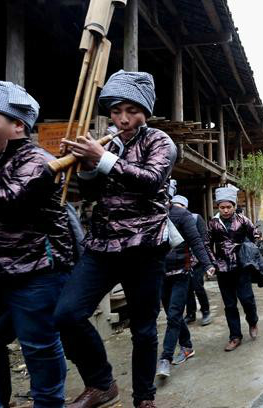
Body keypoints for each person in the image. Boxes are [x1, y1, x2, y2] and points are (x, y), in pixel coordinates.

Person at [54, 70, 177, 408]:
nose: (123, 119)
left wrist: (103, 158)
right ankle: (101, 383)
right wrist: (81, 164)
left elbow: (151, 180)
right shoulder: (105, 140)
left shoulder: (160, 142)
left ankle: (144, 397)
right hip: (102, 246)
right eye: (116, 111)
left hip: (146, 246)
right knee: (66, 314)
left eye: (132, 110)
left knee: (144, 329)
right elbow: (87, 193)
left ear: (146, 111)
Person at [0, 81, 72, 408]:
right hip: (0, 271)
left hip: (36, 272)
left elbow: (8, 202)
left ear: (17, 125)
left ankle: (49, 403)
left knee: (39, 347)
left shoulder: (38, 160)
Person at [156, 195, 215, 379]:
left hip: (182, 272)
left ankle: (165, 358)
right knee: (172, 314)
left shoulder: (182, 215)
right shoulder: (151, 214)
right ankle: (187, 346)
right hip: (161, 274)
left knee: (174, 314)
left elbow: (196, 241)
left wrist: (207, 264)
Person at [208, 186, 259, 352]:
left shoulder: (243, 220)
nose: (225, 210)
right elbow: (206, 244)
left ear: (234, 206)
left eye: (228, 207)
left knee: (247, 299)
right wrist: (213, 262)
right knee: (229, 304)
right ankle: (235, 336)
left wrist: (249, 249)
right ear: (218, 207)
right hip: (223, 269)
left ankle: (252, 321)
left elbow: (255, 235)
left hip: (241, 266)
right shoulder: (213, 224)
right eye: (222, 207)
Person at [184, 211, 213, 326]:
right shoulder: (174, 218)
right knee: (187, 288)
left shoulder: (196, 218)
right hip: (183, 260)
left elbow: (204, 240)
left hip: (197, 259)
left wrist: (207, 261)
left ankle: (205, 311)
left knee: (197, 286)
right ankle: (191, 314)